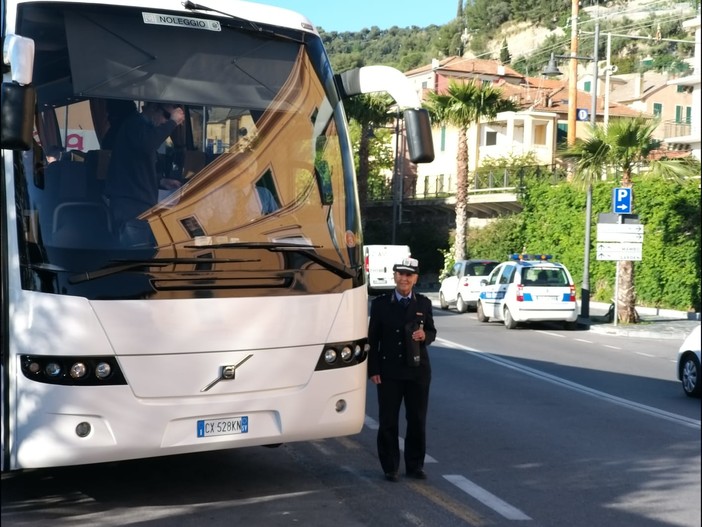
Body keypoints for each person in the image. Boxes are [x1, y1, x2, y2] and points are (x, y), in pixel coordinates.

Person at [367, 257, 437, 482]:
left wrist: (425, 336)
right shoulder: (380, 304)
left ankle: (415, 465)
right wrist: (373, 369)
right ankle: (390, 467)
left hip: (417, 371)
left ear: (415, 278)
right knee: (388, 420)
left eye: (409, 275)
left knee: (417, 419)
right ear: (394, 276)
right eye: (400, 274)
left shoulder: (423, 304)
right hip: (389, 372)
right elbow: (373, 339)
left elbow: (432, 332)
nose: (404, 279)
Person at [104, 101, 185, 244]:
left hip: (137, 203)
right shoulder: (135, 124)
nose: (165, 121)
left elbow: (136, 167)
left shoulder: (142, 130)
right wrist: (172, 123)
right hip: (130, 204)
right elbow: (147, 145)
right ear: (154, 107)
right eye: (167, 116)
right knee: (135, 253)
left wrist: (160, 181)